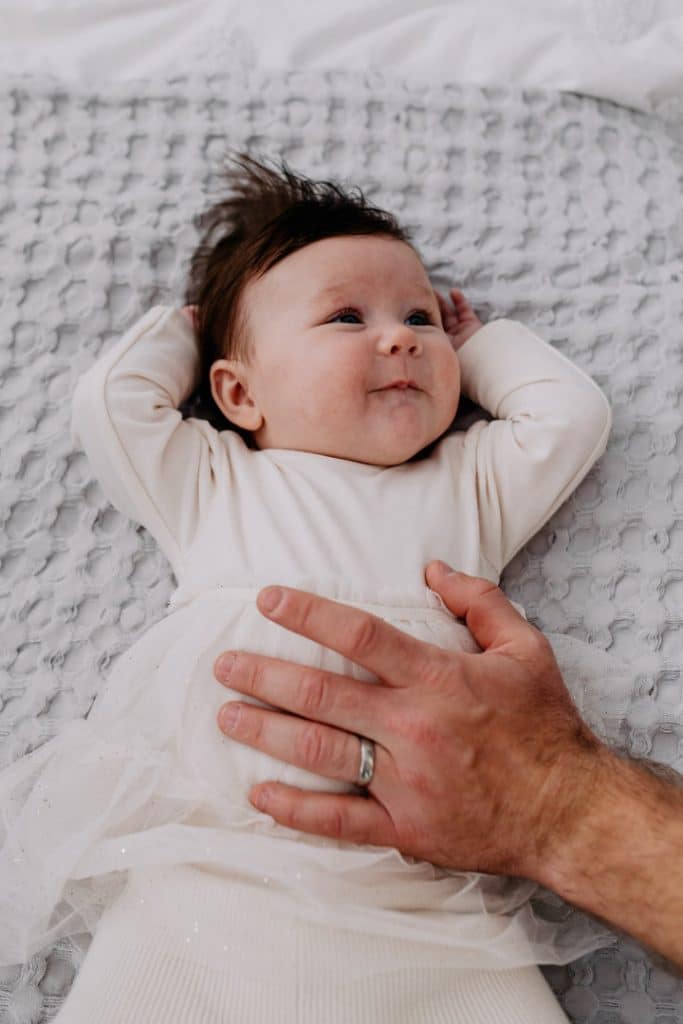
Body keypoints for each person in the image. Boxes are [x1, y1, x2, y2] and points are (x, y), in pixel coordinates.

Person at [0, 152, 628, 1023]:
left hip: (422, 895)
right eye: (345, 316)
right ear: (238, 391)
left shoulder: (467, 483)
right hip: (212, 869)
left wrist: (480, 343)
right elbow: (111, 402)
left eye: (420, 315)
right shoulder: (211, 480)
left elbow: (571, 415)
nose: (401, 337)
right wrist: (187, 329)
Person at [213, 563, 683, 972]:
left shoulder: (465, 487)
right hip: (213, 863)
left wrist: (550, 801)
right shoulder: (218, 487)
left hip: (429, 906)